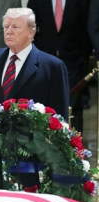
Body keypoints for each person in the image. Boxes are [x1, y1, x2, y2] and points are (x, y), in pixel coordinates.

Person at [0, 7, 69, 120]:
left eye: (15, 27)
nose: (9, 31)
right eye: (6, 27)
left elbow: (59, 116)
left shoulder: (53, 67)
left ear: (30, 32)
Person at [27, 0, 91, 133]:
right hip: (44, 61)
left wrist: (81, 57)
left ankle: (75, 148)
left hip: (72, 61)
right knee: (44, 106)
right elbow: (29, 27)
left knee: (74, 106)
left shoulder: (82, 2)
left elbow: (86, 29)